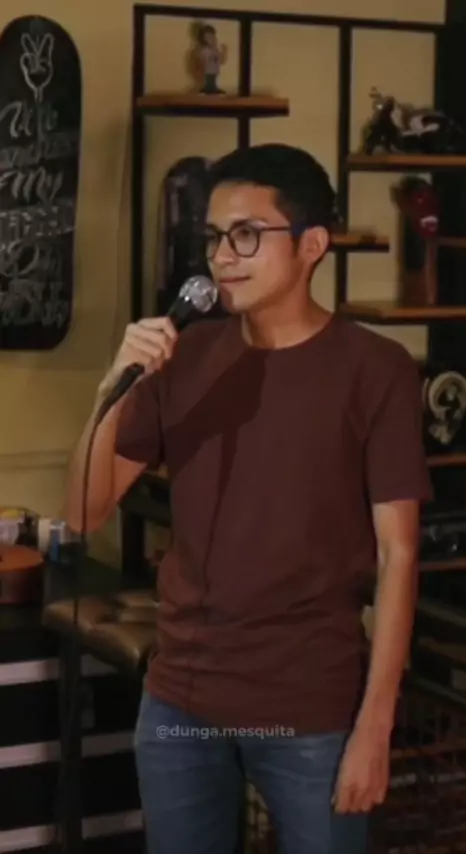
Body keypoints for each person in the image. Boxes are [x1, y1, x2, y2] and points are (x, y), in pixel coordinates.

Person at [64, 143, 432, 854]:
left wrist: (376, 725)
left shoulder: (375, 369)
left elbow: (400, 555)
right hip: (179, 700)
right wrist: (115, 383)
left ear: (312, 245)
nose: (222, 257)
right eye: (213, 237)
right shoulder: (185, 357)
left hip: (308, 705)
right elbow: (83, 511)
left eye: (246, 235)